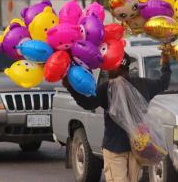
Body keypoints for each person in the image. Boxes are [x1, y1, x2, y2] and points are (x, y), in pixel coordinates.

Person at [62, 50, 171, 182]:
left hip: (119, 148)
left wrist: (71, 87)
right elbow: (163, 82)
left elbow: (88, 104)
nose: (107, 69)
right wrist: (165, 64)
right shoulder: (143, 85)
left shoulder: (107, 88)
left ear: (119, 66)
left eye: (110, 65)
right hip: (135, 147)